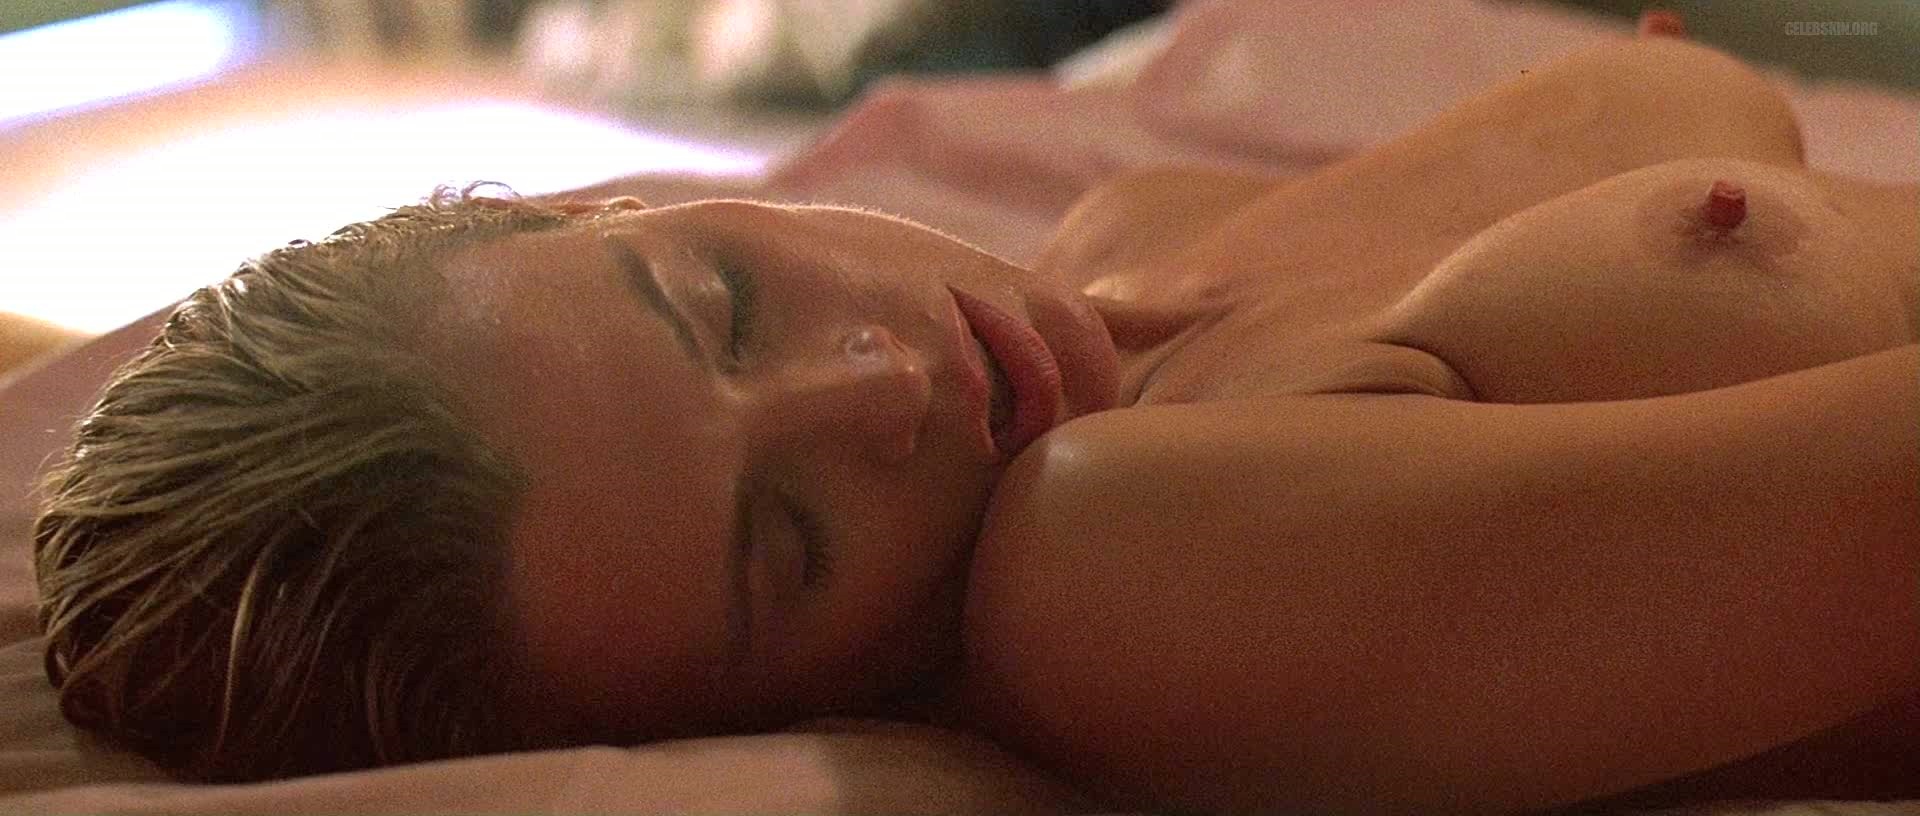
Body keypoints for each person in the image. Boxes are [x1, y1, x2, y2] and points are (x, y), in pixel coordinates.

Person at [30, 14, 1918, 813]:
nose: (880, 390)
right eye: (788, 546)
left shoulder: (1140, 234)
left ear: (600, 204)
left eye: (722, 299)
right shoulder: (1121, 569)